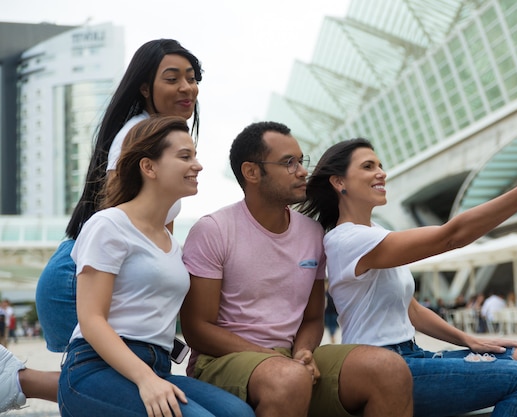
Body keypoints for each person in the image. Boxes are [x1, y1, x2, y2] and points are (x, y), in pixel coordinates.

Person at [0, 39, 204, 414]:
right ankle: (13, 380)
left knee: (107, 388)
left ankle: (11, 381)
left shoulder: (160, 136)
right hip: (80, 274)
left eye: (192, 78)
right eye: (172, 78)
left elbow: (159, 237)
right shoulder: (138, 135)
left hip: (97, 269)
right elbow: (118, 223)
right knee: (94, 383)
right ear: (145, 88)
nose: (186, 88)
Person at [300, 137, 517, 417]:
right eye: (368, 166)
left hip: (412, 355)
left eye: (380, 164)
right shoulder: (346, 239)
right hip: (380, 363)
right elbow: (450, 236)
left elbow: (411, 309)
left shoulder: (376, 233)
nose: (381, 172)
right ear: (339, 182)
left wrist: (469, 340)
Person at [180, 121, 413, 417]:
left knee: (389, 369)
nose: (302, 171)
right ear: (251, 172)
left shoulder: (312, 233)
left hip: (290, 361)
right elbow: (197, 329)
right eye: (289, 163)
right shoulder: (213, 230)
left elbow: (314, 317)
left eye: (301, 161)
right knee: (288, 379)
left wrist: (303, 352)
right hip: (221, 361)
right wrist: (274, 359)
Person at [58, 115, 254, 417]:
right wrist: (145, 379)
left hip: (158, 365)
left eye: (195, 156)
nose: (197, 165)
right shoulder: (109, 225)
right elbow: (91, 319)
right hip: (95, 368)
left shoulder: (169, 241)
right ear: (149, 167)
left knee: (239, 413)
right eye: (184, 156)